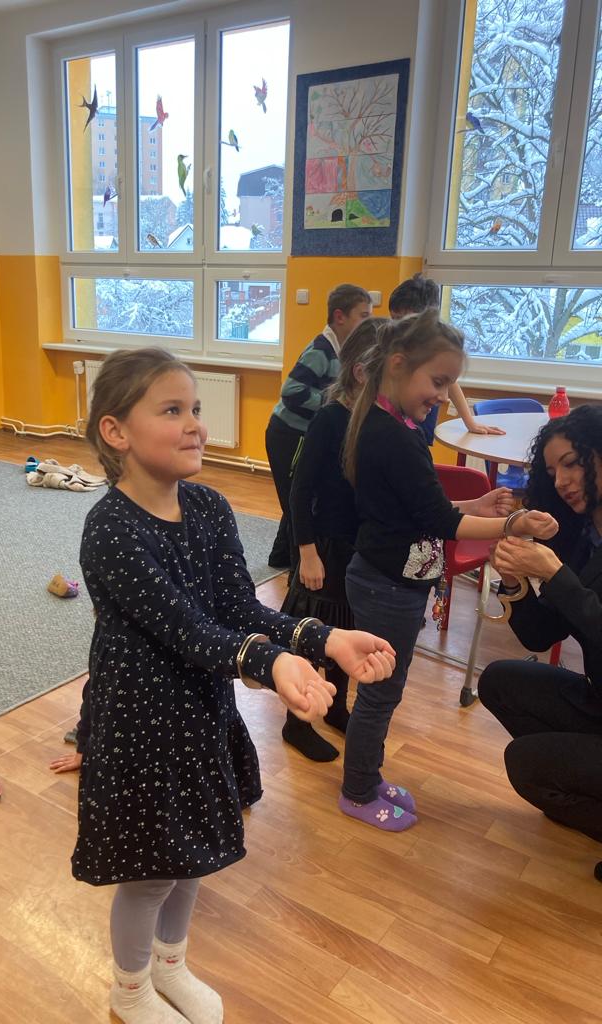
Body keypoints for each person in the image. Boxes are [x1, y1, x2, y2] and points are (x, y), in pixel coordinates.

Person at [61, 346, 396, 1024]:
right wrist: (272, 666)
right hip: (140, 731)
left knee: (190, 858)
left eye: (195, 408)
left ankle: (170, 966)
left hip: (199, 715)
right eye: (172, 410)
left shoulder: (210, 507)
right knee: (150, 874)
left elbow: (240, 610)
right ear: (116, 431)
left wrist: (323, 638)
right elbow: (189, 631)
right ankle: (130, 990)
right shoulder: (111, 531)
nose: (195, 424)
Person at [339, 310, 559, 832]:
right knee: (380, 693)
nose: (442, 395)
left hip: (392, 577)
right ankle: (358, 791)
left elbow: (421, 509)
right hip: (386, 586)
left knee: (384, 690)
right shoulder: (392, 435)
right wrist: (512, 523)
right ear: (398, 364)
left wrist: (476, 505)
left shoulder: (398, 424)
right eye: (437, 382)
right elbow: (442, 521)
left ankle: (366, 777)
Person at [479, 405, 602, 880]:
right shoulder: (585, 537)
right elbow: (539, 634)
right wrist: (514, 581)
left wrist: (554, 575)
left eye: (572, 463)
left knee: (525, 765)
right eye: (553, 472)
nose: (563, 481)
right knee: (499, 681)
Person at [280, 317, 386, 762]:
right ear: (362, 374)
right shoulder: (328, 419)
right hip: (322, 546)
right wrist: (306, 553)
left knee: (346, 630)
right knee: (314, 636)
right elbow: (299, 491)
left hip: (352, 548)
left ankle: (337, 706)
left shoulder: (373, 419)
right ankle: (297, 722)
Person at [266, 284, 372, 569]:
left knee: (297, 498)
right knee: (296, 501)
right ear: (340, 317)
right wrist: (333, 403)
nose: (368, 322)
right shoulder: (320, 350)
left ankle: (279, 557)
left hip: (305, 433)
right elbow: (292, 391)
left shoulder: (343, 352)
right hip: (287, 435)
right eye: (363, 316)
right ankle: (297, 570)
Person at [388, 273, 505, 445]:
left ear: (427, 319)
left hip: (420, 416)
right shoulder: (394, 344)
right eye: (394, 319)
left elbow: (450, 382)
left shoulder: (434, 344)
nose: (397, 326)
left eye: (403, 320)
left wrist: (470, 422)